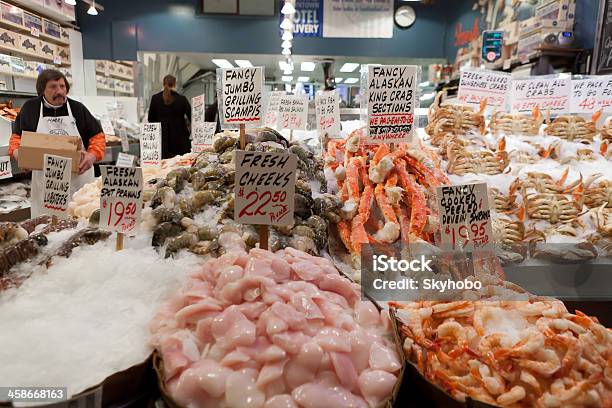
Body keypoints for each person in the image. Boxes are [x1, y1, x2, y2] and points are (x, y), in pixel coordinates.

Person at [9, 69, 106, 218]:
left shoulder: (78, 109)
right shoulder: (30, 109)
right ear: (42, 90)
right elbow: (16, 139)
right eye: (53, 87)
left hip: (78, 183)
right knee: (46, 225)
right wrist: (19, 155)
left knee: (78, 222)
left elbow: (98, 137)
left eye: (62, 86)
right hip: (46, 185)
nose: (60, 91)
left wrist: (92, 156)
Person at [148, 75, 191, 159]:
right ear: (175, 84)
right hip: (180, 140)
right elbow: (192, 117)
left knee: (164, 166)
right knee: (180, 165)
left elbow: (151, 119)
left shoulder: (155, 98)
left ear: (163, 84)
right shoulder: (182, 99)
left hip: (162, 141)